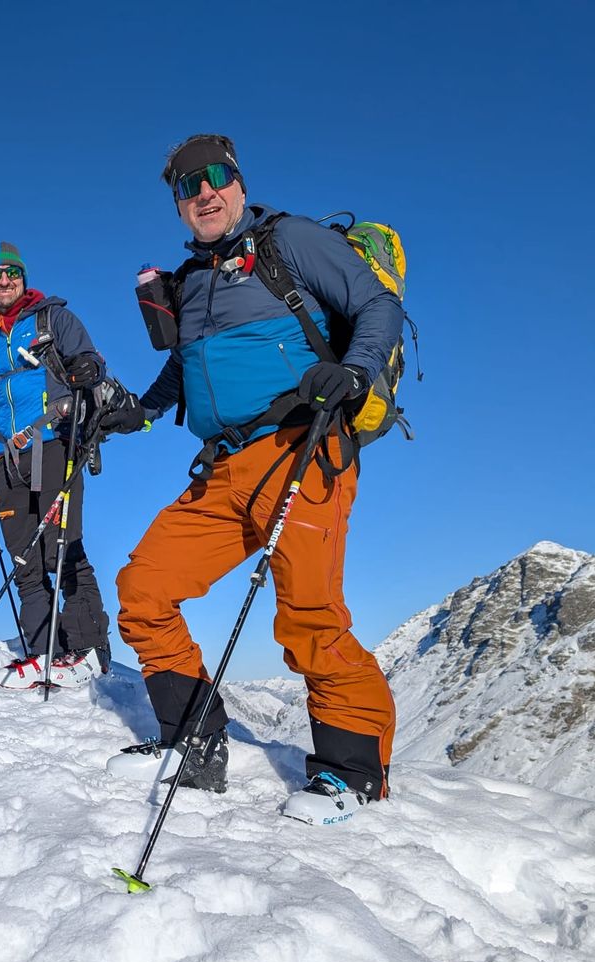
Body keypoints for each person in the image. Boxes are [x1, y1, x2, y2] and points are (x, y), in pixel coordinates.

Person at [112, 134, 402, 825]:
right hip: (222, 467)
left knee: (308, 615)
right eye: (188, 186)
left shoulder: (288, 242)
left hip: (300, 447)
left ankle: (352, 776)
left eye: (215, 177)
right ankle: (195, 737)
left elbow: (377, 306)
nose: (204, 193)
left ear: (239, 184)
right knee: (143, 589)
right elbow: (183, 368)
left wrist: (355, 370)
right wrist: (139, 412)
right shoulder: (192, 281)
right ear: (178, 205)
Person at [0, 243, 114, 690]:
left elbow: (91, 361)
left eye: (11, 273)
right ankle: (45, 651)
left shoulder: (54, 319)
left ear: (23, 278)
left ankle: (89, 649)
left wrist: (87, 367)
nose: (4, 281)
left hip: (53, 443)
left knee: (61, 548)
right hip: (4, 459)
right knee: (24, 562)